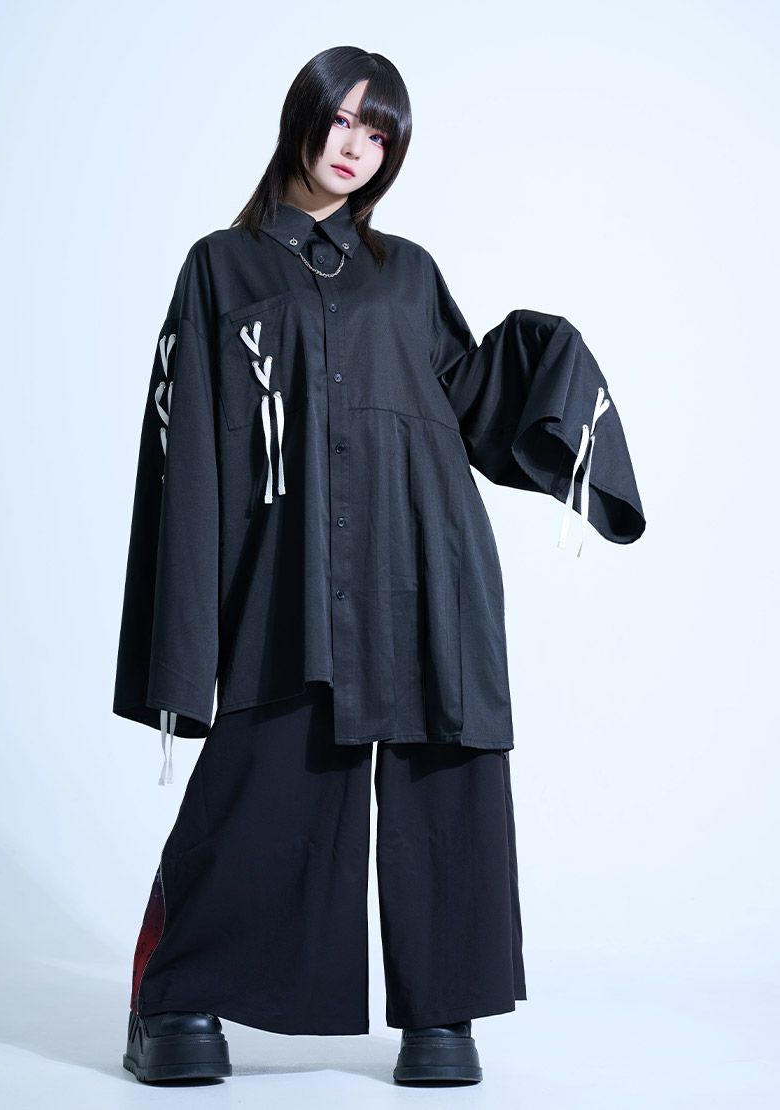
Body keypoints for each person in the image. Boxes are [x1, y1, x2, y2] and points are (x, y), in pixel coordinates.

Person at [113, 45, 646, 1086]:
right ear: (302, 116)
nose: (357, 145)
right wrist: (192, 633)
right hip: (289, 576)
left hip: (426, 561)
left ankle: (443, 1015)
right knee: (264, 783)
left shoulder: (408, 274)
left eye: (380, 131)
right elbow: (187, 452)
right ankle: (174, 997)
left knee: (444, 777)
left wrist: (542, 354)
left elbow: (469, 401)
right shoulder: (221, 268)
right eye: (344, 118)